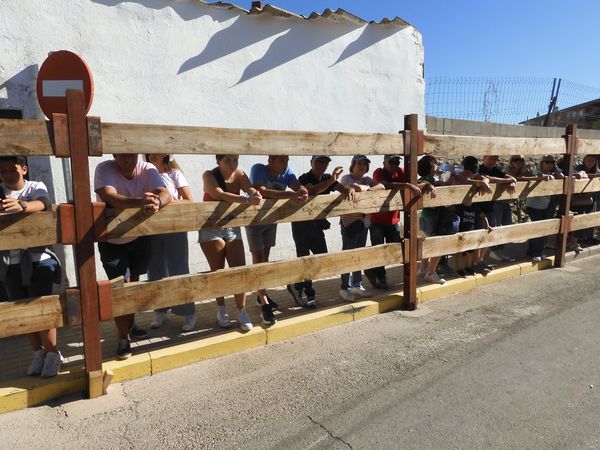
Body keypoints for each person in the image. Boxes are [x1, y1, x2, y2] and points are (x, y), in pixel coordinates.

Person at [94, 153, 171, 359]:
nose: (128, 160)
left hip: (139, 236)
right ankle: (123, 337)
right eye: (123, 156)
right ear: (115, 155)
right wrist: (141, 202)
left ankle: (130, 324)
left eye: (131, 156)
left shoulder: (147, 168)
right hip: (112, 241)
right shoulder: (104, 169)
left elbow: (165, 193)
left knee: (133, 284)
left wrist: (157, 202)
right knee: (120, 290)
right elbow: (110, 197)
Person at [0, 156, 63, 377]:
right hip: (10, 262)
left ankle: (52, 353)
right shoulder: (0, 191)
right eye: (3, 171)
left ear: (24, 169)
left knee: (43, 309)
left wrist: (22, 205)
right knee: (22, 312)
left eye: (12, 169)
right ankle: (38, 352)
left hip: (39, 258)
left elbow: (44, 203)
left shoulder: (35, 186)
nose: (8, 175)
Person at [201, 154, 262, 330]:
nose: (232, 163)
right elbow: (218, 194)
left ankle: (242, 310)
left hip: (232, 225)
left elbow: (250, 189)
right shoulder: (209, 175)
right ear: (218, 161)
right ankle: (221, 309)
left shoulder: (240, 174)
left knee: (239, 269)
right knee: (218, 271)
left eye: (235, 159)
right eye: (227, 160)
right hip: (211, 226)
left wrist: (255, 194)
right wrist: (246, 200)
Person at [289, 155, 356, 308]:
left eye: (325, 162)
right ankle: (309, 292)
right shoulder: (304, 177)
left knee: (322, 259)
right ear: (311, 163)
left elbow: (342, 189)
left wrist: (350, 189)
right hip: (301, 226)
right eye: (319, 161)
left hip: (316, 226)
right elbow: (312, 191)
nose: (322, 164)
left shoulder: (327, 178)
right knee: (305, 260)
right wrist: (332, 180)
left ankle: (297, 286)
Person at [248, 155, 308, 325]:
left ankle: (261, 295)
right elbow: (262, 191)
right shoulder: (258, 168)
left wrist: (303, 190)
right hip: (254, 221)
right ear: (270, 160)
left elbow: (297, 186)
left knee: (265, 260)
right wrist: (289, 194)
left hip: (271, 221)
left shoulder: (287, 171)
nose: (285, 164)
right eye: (282, 160)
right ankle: (264, 303)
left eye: (287, 160)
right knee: (258, 261)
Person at [365, 154, 434, 289]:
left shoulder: (400, 172)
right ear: (384, 163)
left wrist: (428, 185)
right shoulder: (379, 172)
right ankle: (381, 277)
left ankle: (372, 271)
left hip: (393, 220)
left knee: (395, 250)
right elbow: (385, 185)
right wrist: (406, 185)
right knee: (379, 250)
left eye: (397, 162)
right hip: (377, 220)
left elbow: (414, 185)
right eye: (392, 162)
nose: (395, 165)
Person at [144, 154, 197, 332]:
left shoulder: (174, 174)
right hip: (151, 228)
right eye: (150, 150)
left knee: (179, 269)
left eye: (158, 150)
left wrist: (167, 201)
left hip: (174, 226)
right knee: (154, 270)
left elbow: (189, 200)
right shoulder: (143, 174)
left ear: (166, 153)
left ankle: (189, 312)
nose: (153, 154)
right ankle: (160, 311)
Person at [338, 155, 384, 301]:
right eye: (359, 163)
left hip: (364, 223)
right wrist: (366, 189)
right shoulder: (346, 178)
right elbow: (354, 188)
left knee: (359, 255)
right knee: (348, 256)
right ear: (353, 165)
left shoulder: (366, 179)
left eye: (364, 164)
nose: (362, 166)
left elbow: (381, 186)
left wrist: (366, 189)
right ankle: (344, 287)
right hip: (350, 224)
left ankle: (357, 284)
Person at [417, 155, 457, 285]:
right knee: (437, 243)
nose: (437, 165)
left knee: (428, 242)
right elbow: (419, 183)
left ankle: (423, 269)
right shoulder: (427, 179)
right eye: (434, 163)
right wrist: (429, 185)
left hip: (428, 214)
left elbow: (445, 185)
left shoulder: (433, 178)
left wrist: (452, 174)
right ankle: (431, 273)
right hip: (431, 215)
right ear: (428, 167)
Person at [454, 156, 494, 276]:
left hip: (471, 226)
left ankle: (468, 266)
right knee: (459, 248)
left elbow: (482, 215)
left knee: (471, 248)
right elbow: (464, 180)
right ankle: (459, 269)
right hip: (461, 223)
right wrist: (480, 183)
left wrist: (484, 182)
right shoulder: (459, 175)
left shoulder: (475, 208)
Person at [524, 155, 564, 261]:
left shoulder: (553, 172)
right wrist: (544, 176)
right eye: (547, 162)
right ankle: (537, 253)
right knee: (540, 228)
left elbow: (562, 176)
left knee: (540, 228)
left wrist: (555, 170)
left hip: (544, 205)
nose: (550, 164)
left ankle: (532, 250)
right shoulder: (536, 170)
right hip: (533, 205)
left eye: (552, 162)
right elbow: (538, 175)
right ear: (542, 163)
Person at [479, 155, 517, 263]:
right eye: (490, 158)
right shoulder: (479, 168)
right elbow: (486, 178)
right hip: (479, 208)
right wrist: (505, 181)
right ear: (484, 157)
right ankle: (476, 260)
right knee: (480, 235)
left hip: (490, 206)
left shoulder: (495, 170)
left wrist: (511, 181)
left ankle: (481, 259)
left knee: (491, 232)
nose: (493, 161)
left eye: (495, 159)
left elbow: (509, 177)